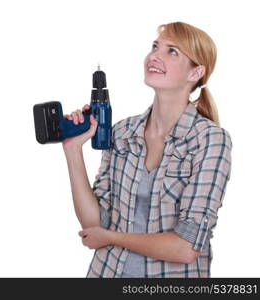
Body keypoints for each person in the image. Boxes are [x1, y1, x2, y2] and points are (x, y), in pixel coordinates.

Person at [62, 21, 233, 278]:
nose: (154, 55)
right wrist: (73, 150)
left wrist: (111, 237)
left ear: (195, 73)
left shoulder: (209, 140)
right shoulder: (122, 133)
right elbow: (93, 224)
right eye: (155, 47)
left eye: (172, 51)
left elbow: (186, 247)